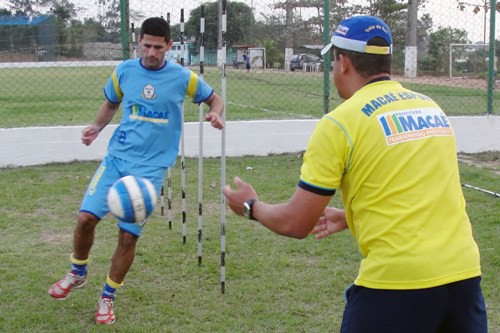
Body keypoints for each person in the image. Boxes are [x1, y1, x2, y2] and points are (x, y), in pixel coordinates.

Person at [223, 15, 487, 333]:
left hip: (397, 285)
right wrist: (351, 216)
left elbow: (296, 223)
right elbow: (423, 189)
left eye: (332, 61)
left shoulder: (339, 123)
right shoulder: (430, 108)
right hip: (463, 278)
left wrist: (251, 206)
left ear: (344, 63)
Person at [48, 17, 224, 325]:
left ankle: (107, 297)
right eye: (147, 45)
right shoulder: (124, 71)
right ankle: (77, 271)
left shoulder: (183, 78)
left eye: (159, 47)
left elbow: (215, 98)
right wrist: (96, 127)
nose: (152, 52)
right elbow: (110, 103)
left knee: (127, 238)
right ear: (138, 43)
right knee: (85, 218)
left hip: (151, 170)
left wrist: (215, 113)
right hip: (117, 159)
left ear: (169, 46)